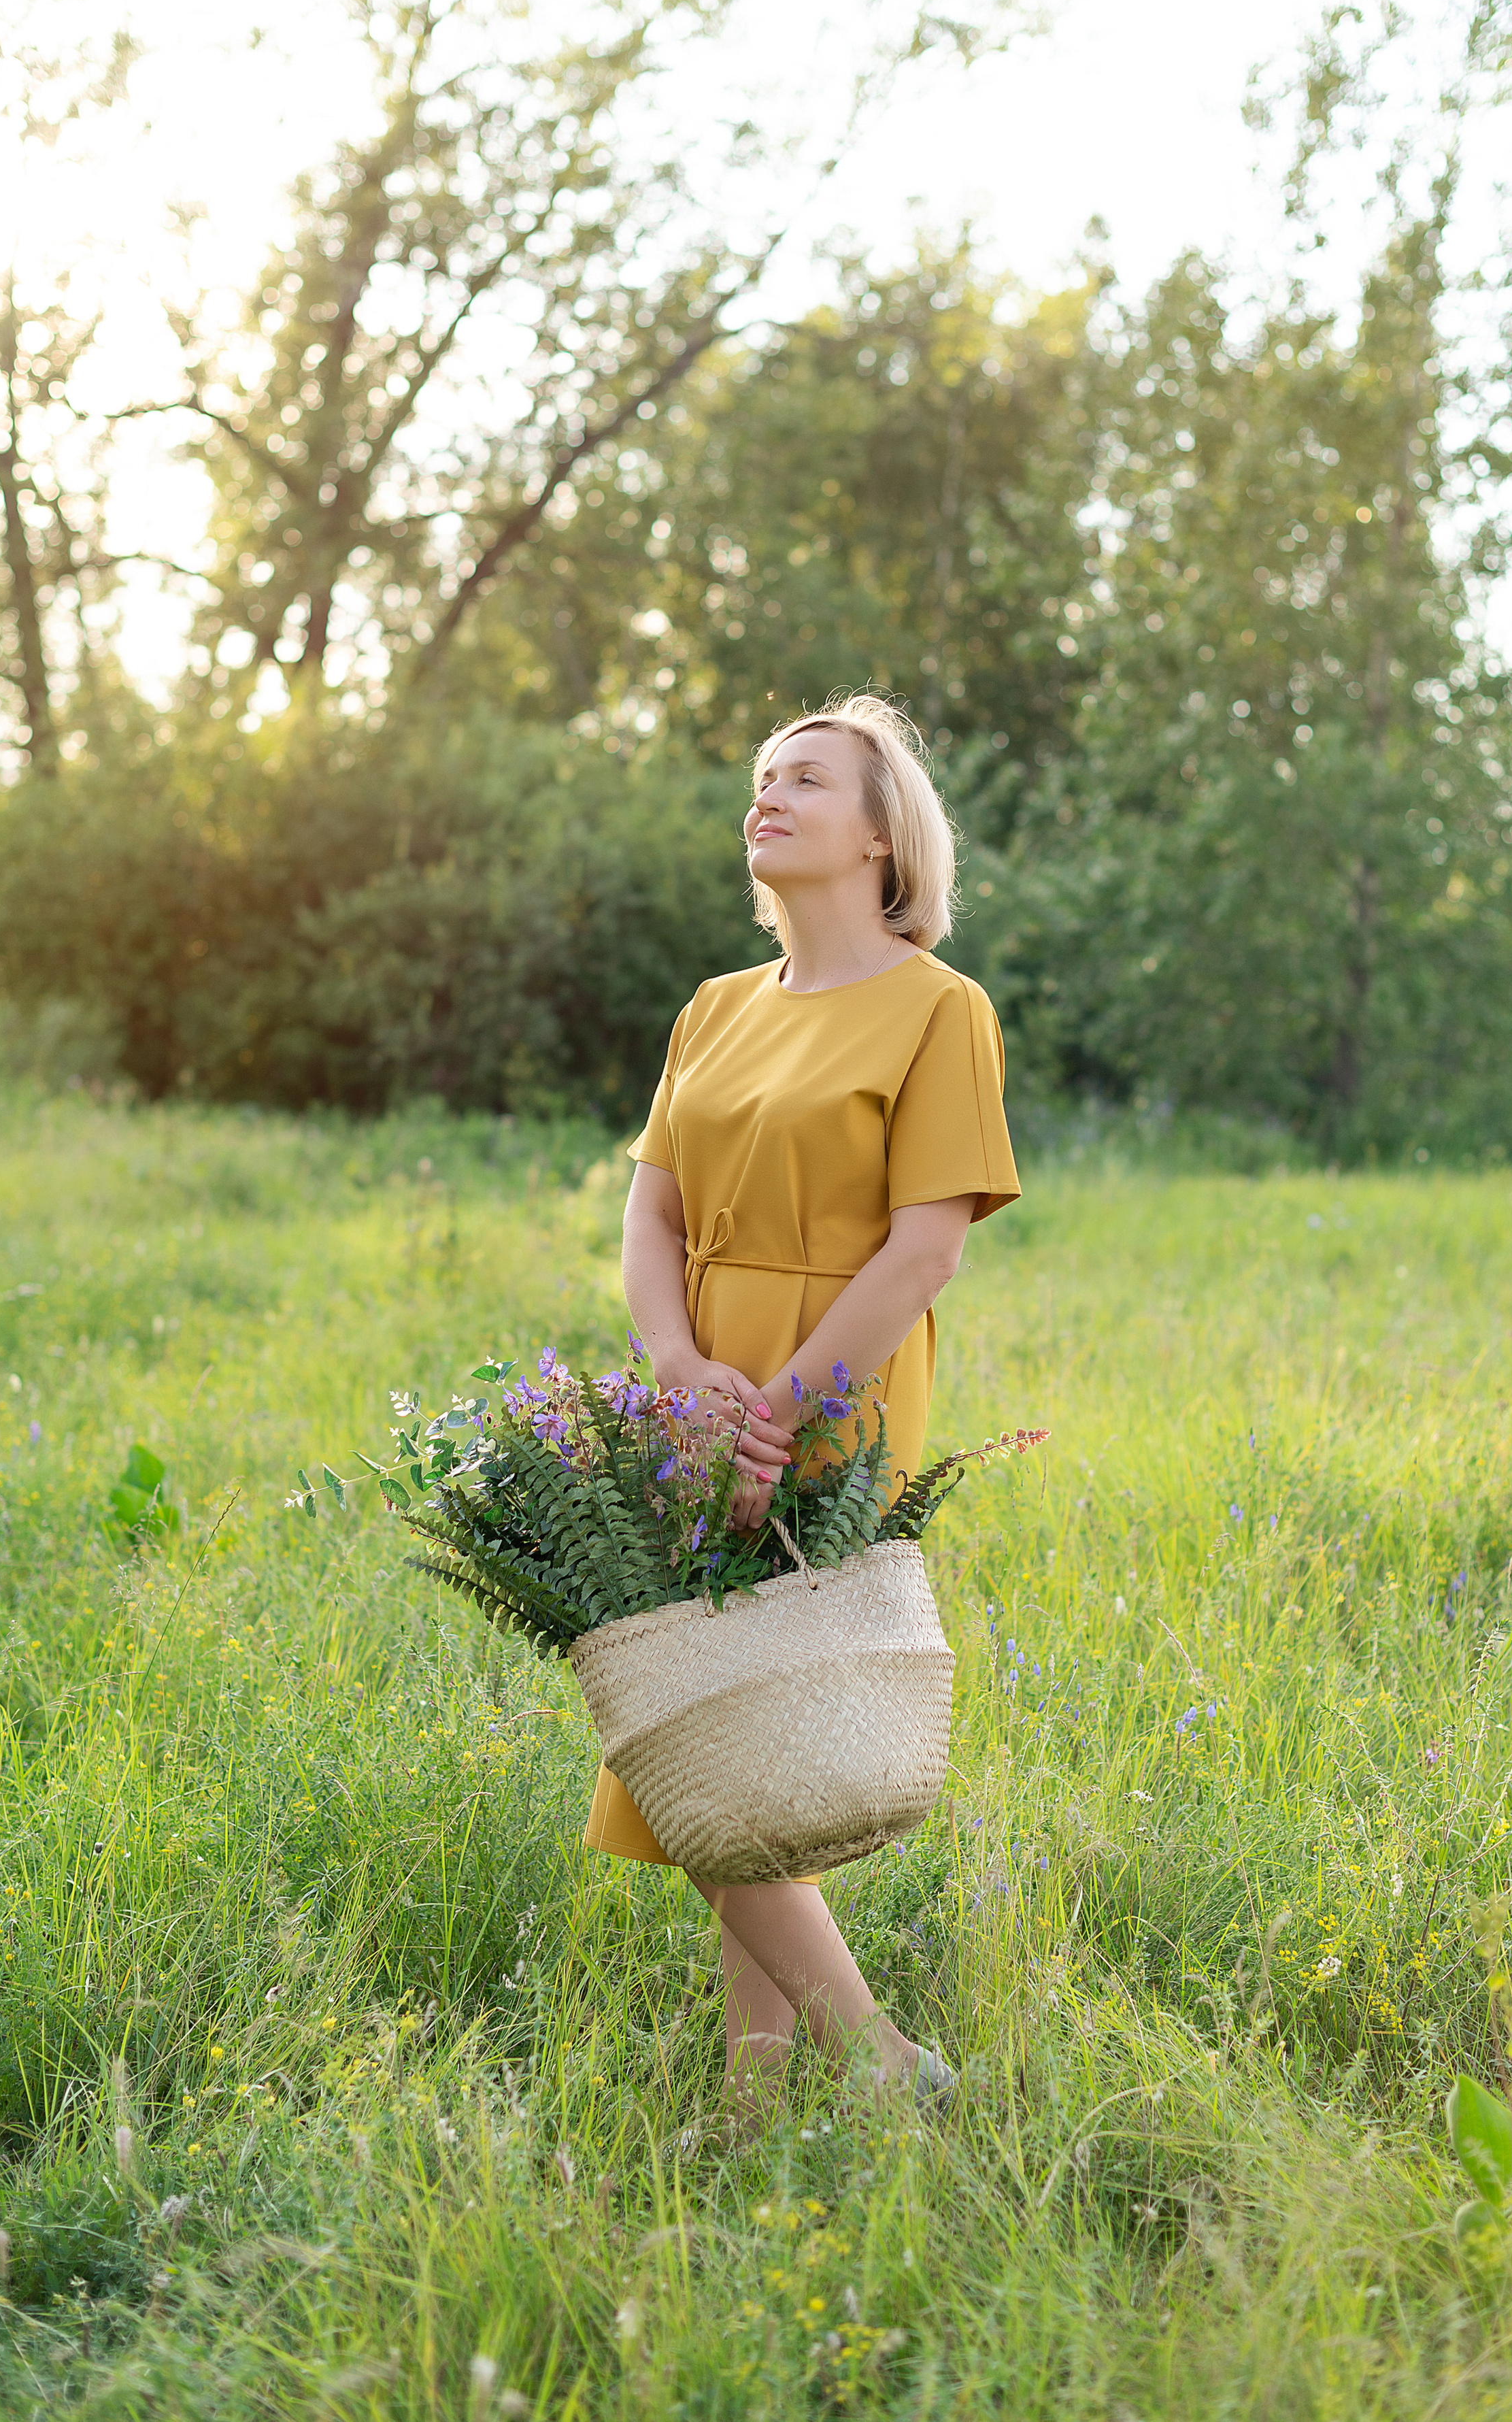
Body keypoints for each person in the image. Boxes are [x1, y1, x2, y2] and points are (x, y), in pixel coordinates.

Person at [587, 692, 1020, 2119]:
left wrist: (776, 1410)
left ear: (881, 831)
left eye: (806, 780)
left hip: (830, 1380)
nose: (765, 797)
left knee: (726, 1727)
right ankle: (762, 2093)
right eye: (761, 780)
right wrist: (676, 1371)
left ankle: (866, 2060)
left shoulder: (937, 1010)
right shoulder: (713, 1007)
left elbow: (926, 1245)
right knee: (703, 1723)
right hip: (700, 1381)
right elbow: (649, 1209)